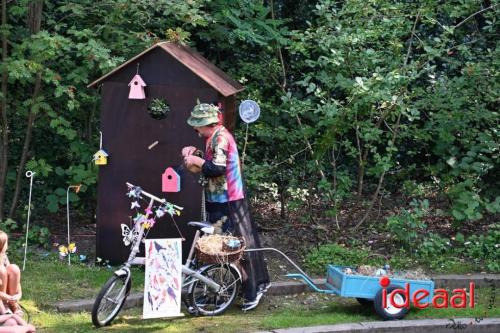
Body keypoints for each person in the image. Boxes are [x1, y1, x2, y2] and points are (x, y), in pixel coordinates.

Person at [182, 102, 270, 311]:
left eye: (198, 125)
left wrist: (195, 159)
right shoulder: (213, 137)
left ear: (207, 124)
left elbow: (216, 168)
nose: (196, 130)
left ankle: (252, 290)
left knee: (235, 247)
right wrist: (196, 154)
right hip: (218, 199)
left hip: (229, 201)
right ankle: (222, 290)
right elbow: (210, 163)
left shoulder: (221, 138)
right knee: (217, 248)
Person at [0, 231, 23, 317]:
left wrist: (19, 294)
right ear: (1, 245)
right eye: (6, 242)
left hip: (6, 295)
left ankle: (12, 304)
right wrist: (5, 297)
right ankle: (3, 305)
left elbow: (16, 281)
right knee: (1, 270)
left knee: (14, 268)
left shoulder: (3, 256)